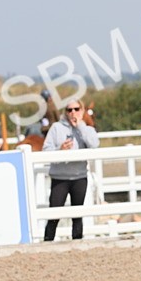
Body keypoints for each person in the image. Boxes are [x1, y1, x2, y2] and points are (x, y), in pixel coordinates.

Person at [41, 99, 99, 241]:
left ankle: (77, 243)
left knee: (77, 215)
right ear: (65, 112)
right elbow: (46, 150)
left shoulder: (87, 129)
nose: (73, 112)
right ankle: (47, 243)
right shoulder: (56, 128)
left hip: (79, 177)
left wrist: (80, 126)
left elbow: (94, 144)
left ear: (82, 110)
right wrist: (60, 149)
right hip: (60, 178)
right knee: (54, 215)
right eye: (69, 109)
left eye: (76, 109)